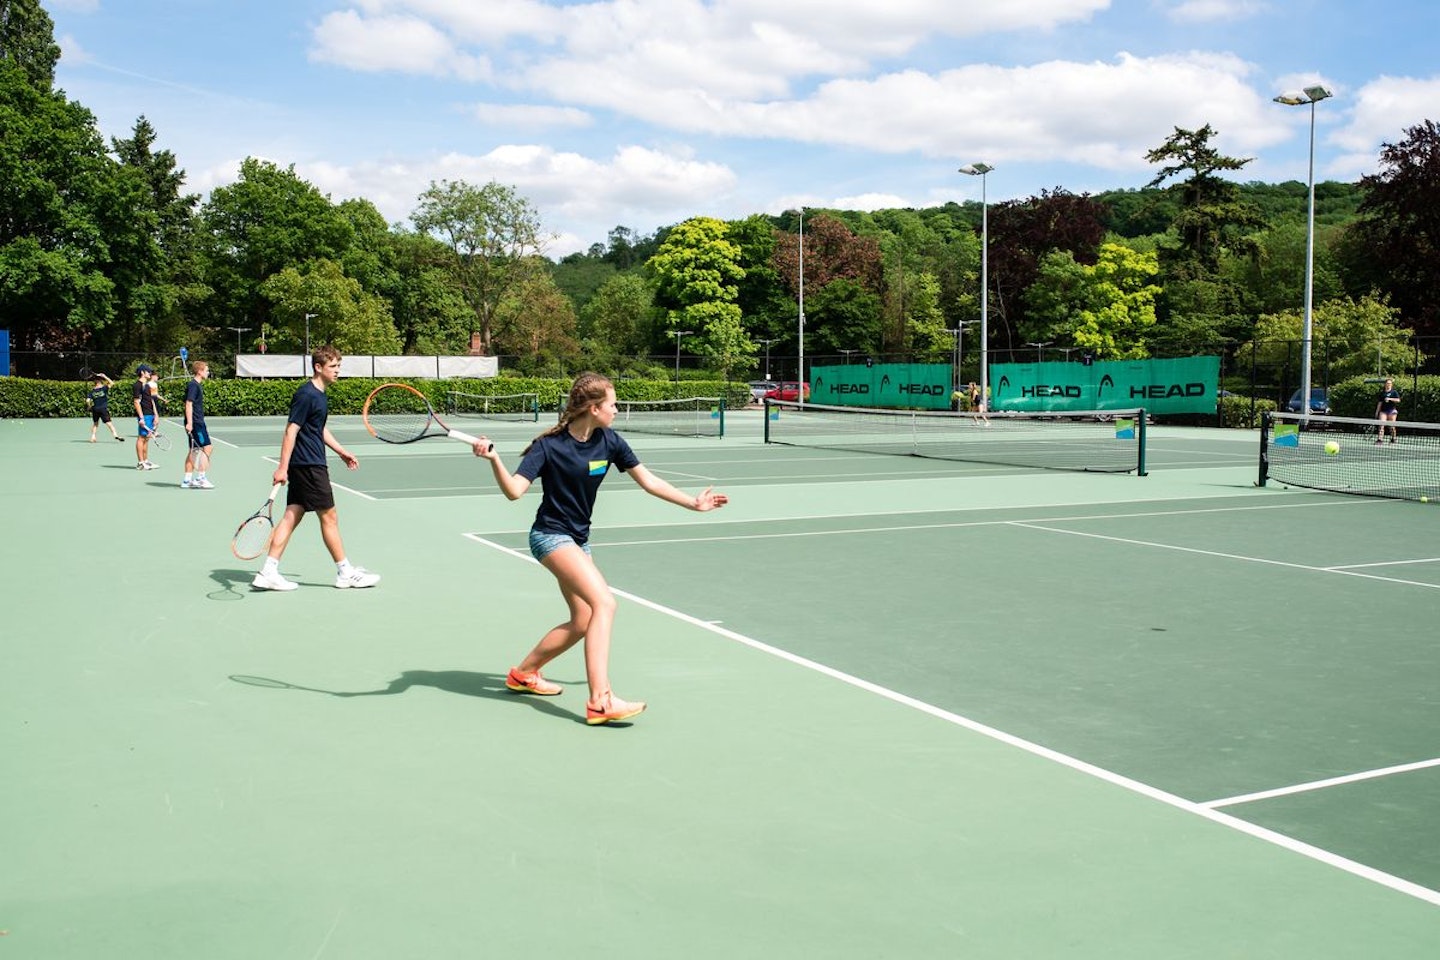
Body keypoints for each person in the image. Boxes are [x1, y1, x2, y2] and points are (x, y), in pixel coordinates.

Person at [471, 372, 729, 725]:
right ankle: (601, 700)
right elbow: (515, 490)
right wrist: (494, 460)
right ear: (594, 408)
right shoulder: (549, 446)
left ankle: (524, 673)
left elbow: (648, 480)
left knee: (583, 620)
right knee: (604, 603)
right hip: (550, 536)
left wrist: (692, 503)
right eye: (613, 404)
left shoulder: (609, 441)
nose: (617, 410)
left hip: (578, 539)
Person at [252, 345, 380, 592]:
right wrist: (282, 468)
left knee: (292, 515)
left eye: (339, 366)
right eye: (333, 367)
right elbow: (292, 430)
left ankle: (268, 571)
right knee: (329, 517)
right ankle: (345, 572)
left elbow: (317, 428)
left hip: (307, 463)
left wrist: (341, 451)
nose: (337, 371)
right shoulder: (307, 394)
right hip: (309, 465)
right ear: (318, 367)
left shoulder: (319, 395)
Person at [182, 359, 214, 489]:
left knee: (194, 450)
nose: (208, 372)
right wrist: (190, 423)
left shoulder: (195, 385)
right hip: (196, 422)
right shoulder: (193, 385)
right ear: (200, 371)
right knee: (207, 448)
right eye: (206, 370)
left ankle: (187, 480)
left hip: (196, 421)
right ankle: (201, 478)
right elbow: (188, 403)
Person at [132, 365, 159, 470]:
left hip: (151, 414)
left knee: (147, 438)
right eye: (148, 371)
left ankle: (146, 461)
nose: (150, 373)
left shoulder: (147, 386)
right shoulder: (137, 385)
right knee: (141, 438)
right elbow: (136, 402)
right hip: (144, 415)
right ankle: (140, 463)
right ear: (143, 372)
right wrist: (141, 418)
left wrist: (156, 415)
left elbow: (152, 401)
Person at [86, 373, 124, 442]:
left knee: (95, 424)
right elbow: (112, 383)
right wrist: (105, 376)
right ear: (100, 381)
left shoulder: (92, 391)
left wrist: (89, 407)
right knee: (109, 423)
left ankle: (93, 437)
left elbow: (87, 400)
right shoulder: (104, 388)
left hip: (95, 409)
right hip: (103, 409)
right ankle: (115, 435)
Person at [1375, 377, 1401, 444]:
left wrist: (1390, 399)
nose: (1388, 385)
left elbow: (1398, 400)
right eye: (1387, 383)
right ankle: (1380, 440)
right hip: (1383, 411)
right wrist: (1377, 412)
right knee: (1381, 425)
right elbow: (1379, 403)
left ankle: (1393, 439)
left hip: (1392, 411)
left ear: (1391, 384)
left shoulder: (1394, 392)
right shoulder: (1382, 393)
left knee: (1392, 427)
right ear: (1385, 384)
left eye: (1390, 383)